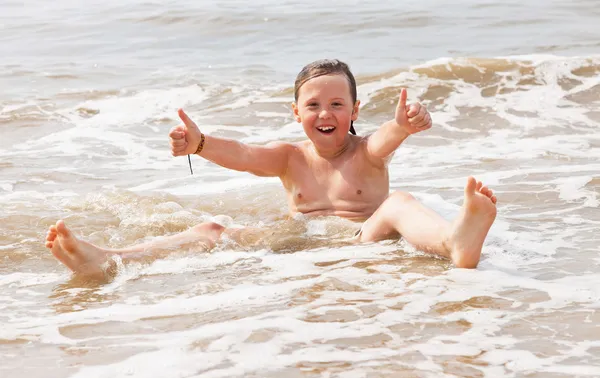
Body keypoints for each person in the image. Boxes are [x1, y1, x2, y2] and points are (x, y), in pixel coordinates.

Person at [45, 59, 497, 280]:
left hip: (364, 237)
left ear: (355, 109)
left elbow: (387, 137)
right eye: (314, 105)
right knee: (211, 229)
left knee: (399, 203)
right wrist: (199, 143)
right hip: (299, 242)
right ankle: (110, 260)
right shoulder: (289, 156)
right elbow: (242, 154)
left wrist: (402, 124)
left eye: (337, 104)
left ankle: (453, 241)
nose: (326, 113)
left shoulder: (367, 152)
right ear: (297, 112)